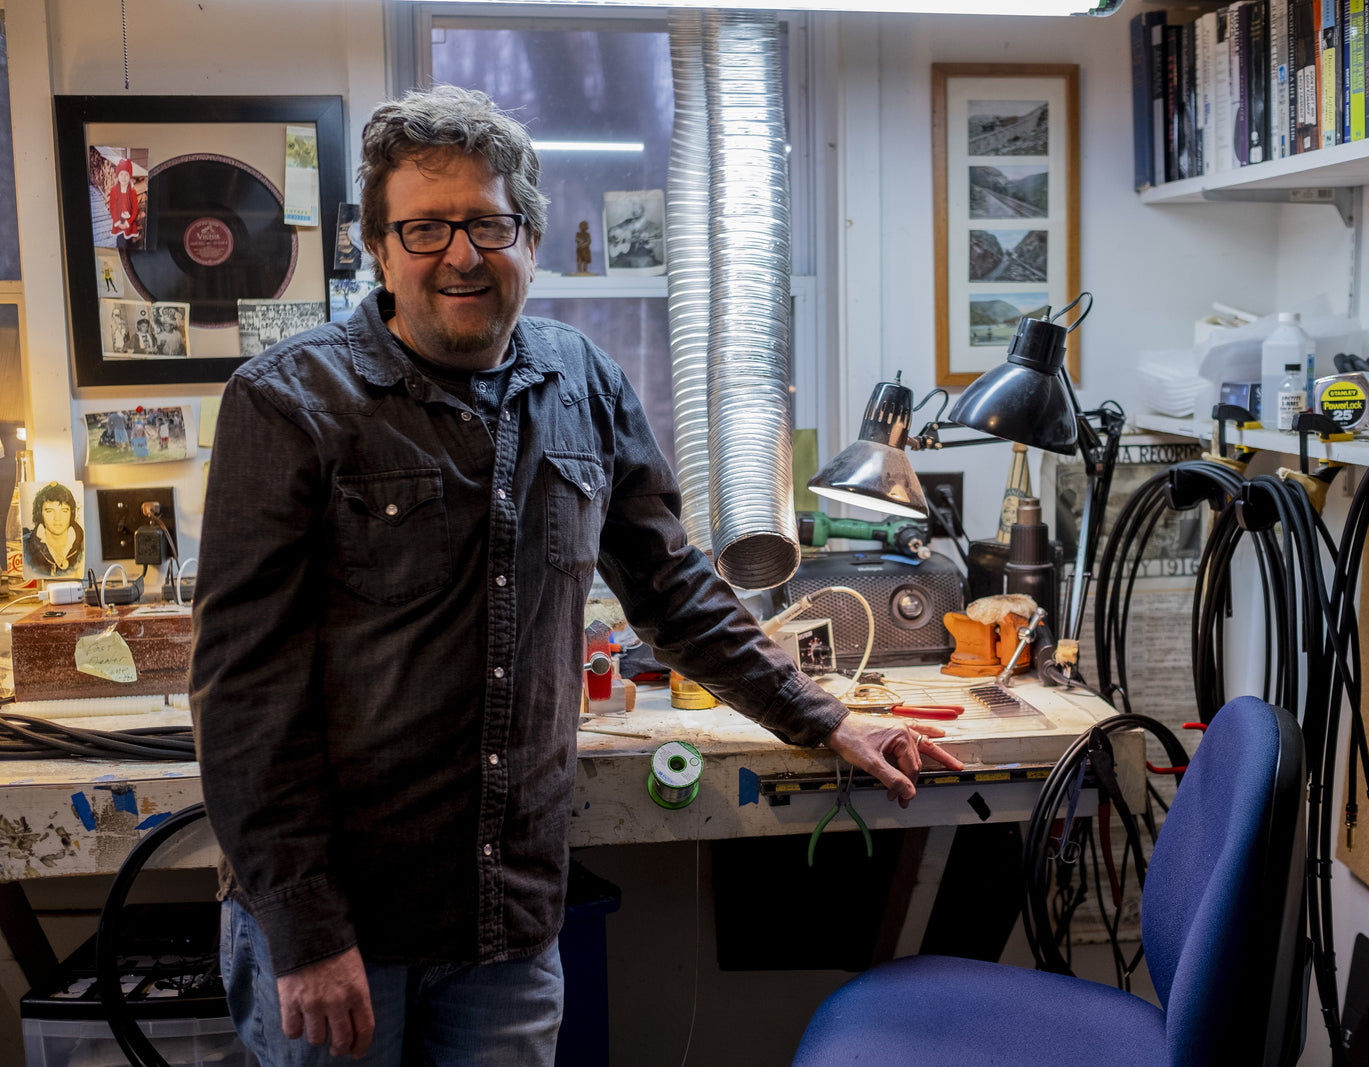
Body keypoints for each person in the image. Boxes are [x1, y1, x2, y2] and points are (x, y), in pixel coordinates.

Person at [190, 84, 961, 1067]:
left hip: (505, 920)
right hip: (344, 929)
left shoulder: (581, 380)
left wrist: (826, 717)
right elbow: (243, 696)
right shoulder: (287, 401)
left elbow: (671, 588)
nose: (461, 254)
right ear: (378, 248)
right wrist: (305, 933)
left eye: (489, 222)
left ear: (532, 238)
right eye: (425, 227)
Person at [21, 482, 84, 578]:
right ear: (40, 514)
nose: (57, 518)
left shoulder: (84, 546)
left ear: (71, 513)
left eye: (64, 511)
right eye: (49, 511)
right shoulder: (25, 547)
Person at [108, 157, 140, 247]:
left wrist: (127, 223)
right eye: (121, 174)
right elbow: (112, 207)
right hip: (118, 222)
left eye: (126, 174)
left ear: (130, 176)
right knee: (120, 242)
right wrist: (118, 222)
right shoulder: (114, 190)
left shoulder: (132, 192)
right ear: (118, 175)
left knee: (129, 243)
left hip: (129, 223)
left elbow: (135, 210)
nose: (124, 177)